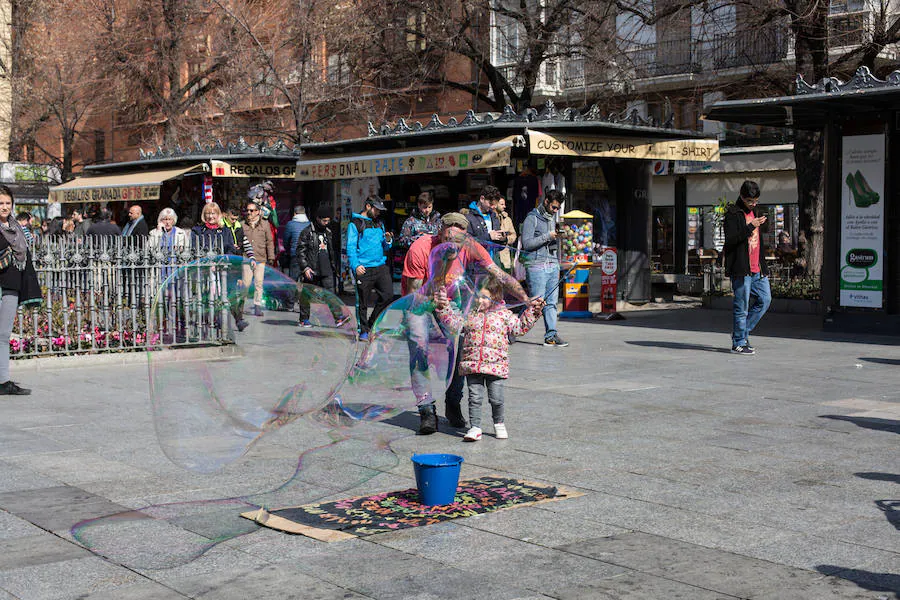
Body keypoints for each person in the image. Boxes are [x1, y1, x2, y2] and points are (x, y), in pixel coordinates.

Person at [402, 212, 530, 435]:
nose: (453, 247)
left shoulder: (470, 245)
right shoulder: (420, 249)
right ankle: (426, 410)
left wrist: (527, 300)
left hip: (449, 302)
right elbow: (414, 298)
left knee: (461, 349)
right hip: (420, 302)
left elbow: (500, 275)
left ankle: (453, 403)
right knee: (419, 349)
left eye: (458, 241)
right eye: (448, 240)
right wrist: (434, 296)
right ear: (439, 233)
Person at [435, 276, 544, 441]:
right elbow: (454, 324)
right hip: (472, 365)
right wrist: (443, 307)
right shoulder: (471, 314)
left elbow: (519, 328)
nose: (480, 300)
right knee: (474, 398)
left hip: (496, 365)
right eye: (478, 296)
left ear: (496, 297)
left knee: (496, 398)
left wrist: (532, 311)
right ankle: (475, 427)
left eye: (485, 297)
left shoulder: (504, 315)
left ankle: (499, 423)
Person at [0, 186, 41, 394]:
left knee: (4, 334)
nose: (4, 207)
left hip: (12, 284)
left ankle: (3, 381)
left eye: (7, 203)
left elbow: (26, 256)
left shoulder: (15, 226)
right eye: (1, 203)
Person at [724, 180, 771, 355]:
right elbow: (731, 240)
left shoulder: (756, 212)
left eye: (756, 200)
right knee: (741, 306)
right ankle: (738, 342)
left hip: (757, 267)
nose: (753, 204)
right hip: (742, 268)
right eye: (750, 201)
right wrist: (750, 226)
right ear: (742, 197)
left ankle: (741, 333)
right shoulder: (733, 214)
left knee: (765, 300)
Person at [191, 202, 249, 332]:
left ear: (218, 215)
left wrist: (222, 260)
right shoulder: (197, 230)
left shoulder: (224, 230)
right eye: (208, 213)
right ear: (204, 215)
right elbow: (195, 249)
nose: (211, 216)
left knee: (229, 294)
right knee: (208, 295)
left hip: (223, 269)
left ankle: (238, 319)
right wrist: (207, 262)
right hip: (205, 269)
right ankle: (210, 321)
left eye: (213, 213)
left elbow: (229, 248)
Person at [521, 188, 567, 347]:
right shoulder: (531, 218)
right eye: (553, 207)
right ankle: (512, 329)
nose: (555, 211)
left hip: (552, 264)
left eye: (557, 208)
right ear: (546, 202)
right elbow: (526, 243)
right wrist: (548, 236)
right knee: (535, 304)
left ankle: (551, 335)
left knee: (552, 303)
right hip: (536, 266)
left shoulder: (553, 219)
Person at [347, 195, 393, 339]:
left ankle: (372, 323)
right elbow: (350, 247)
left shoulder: (379, 223)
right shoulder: (355, 224)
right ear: (368, 206)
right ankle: (363, 330)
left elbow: (386, 246)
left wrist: (388, 240)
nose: (378, 213)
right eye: (377, 209)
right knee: (363, 302)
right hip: (363, 268)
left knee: (388, 296)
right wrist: (356, 265)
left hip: (380, 265)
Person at [295, 209, 348, 328]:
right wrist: (305, 267)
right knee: (306, 294)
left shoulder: (328, 231)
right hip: (312, 268)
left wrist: (334, 266)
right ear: (318, 219)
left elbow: (331, 250)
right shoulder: (307, 232)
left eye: (328, 221)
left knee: (330, 293)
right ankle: (304, 319)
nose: (326, 223)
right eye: (324, 220)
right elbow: (300, 251)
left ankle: (338, 317)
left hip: (327, 268)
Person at [241, 200, 276, 317]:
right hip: (246, 258)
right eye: (247, 210)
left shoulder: (265, 224)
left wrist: (271, 257)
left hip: (260, 258)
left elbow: (269, 241)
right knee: (245, 283)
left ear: (258, 212)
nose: (249, 213)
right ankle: (241, 305)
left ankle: (257, 306)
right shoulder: (242, 224)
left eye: (252, 210)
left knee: (258, 283)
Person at [465, 185, 505, 250]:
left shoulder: (494, 216)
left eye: (495, 205)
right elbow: (467, 241)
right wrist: (488, 237)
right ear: (482, 199)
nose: (493, 207)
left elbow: (499, 247)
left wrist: (503, 239)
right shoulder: (468, 216)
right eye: (491, 204)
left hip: (493, 258)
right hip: (477, 258)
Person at [284, 205, 311, 281]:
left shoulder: (290, 224)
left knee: (293, 280)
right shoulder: (310, 224)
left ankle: (294, 292)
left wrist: (288, 251)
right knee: (308, 280)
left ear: (295, 214)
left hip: (295, 255)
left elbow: (286, 241)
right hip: (308, 255)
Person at [492, 195, 517, 272]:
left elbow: (513, 235)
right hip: (492, 255)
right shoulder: (489, 217)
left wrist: (506, 239)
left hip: (504, 258)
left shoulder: (507, 219)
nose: (504, 206)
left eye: (504, 204)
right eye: (502, 204)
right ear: (495, 205)